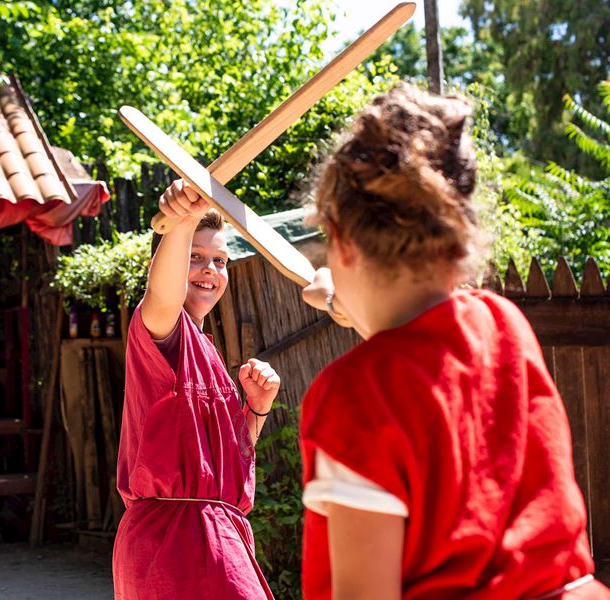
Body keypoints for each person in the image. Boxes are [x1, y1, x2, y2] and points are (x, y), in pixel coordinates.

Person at [298, 83, 610, 599]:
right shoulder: (505, 325)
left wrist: (344, 298)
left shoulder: (353, 395)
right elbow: (430, 340)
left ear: (343, 243)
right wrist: (343, 298)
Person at [113, 182, 280, 599]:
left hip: (216, 536)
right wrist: (182, 223)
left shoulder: (206, 349)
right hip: (174, 542)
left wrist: (255, 412)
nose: (210, 269)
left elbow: (225, 463)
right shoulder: (160, 327)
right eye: (195, 256)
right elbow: (162, 294)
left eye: (220, 260)